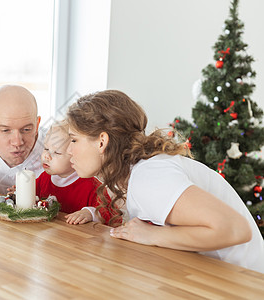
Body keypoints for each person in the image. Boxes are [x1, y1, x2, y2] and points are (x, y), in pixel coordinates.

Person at [65, 89, 264, 273]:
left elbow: (236, 229)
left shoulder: (149, 177)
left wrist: (150, 235)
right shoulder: (132, 174)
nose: (68, 150)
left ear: (102, 141)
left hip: (244, 281)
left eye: (74, 140)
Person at [36, 120, 120, 225]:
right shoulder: (44, 178)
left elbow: (113, 216)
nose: (46, 156)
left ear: (74, 155)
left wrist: (90, 213)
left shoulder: (91, 185)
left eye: (57, 152)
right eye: (46, 148)